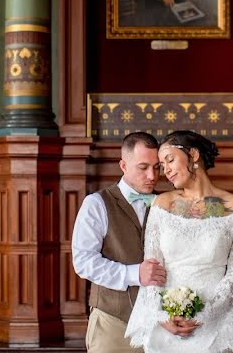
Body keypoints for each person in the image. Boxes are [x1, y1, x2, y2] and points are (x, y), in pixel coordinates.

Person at [125, 131, 233, 353]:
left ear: (193, 154)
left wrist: (206, 313)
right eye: (162, 165)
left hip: (215, 322)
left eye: (170, 160)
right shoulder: (163, 204)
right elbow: (152, 265)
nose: (166, 171)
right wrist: (162, 316)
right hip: (168, 324)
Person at [72, 132, 168, 353]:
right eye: (143, 167)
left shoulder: (166, 204)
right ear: (123, 165)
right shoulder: (96, 204)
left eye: (157, 167)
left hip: (160, 325)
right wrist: (135, 274)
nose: (152, 176)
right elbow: (83, 262)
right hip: (113, 324)